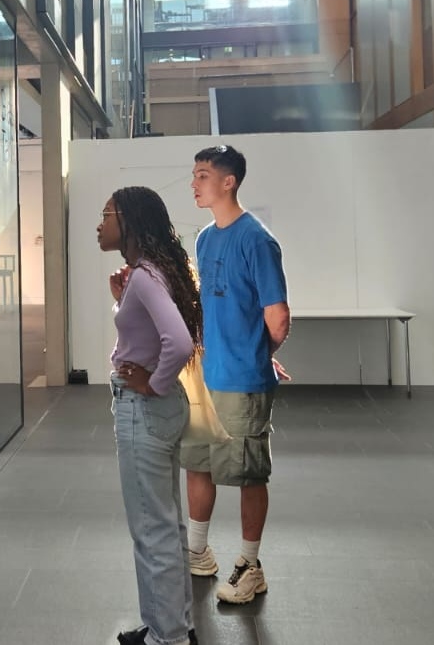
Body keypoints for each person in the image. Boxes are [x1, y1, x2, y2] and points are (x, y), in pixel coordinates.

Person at [184, 144, 290, 605]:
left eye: (203, 175)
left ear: (228, 182)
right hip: (203, 378)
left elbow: (278, 318)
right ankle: (196, 550)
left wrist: (256, 353)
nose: (194, 182)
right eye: (194, 174)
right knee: (197, 463)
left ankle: (250, 565)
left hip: (242, 380)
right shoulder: (205, 238)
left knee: (248, 474)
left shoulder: (258, 240)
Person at [97, 186, 200, 645]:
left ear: (131, 223)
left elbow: (177, 342)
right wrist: (121, 298)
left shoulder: (144, 276)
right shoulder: (151, 272)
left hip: (144, 410)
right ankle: (173, 624)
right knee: (166, 524)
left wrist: (152, 382)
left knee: (150, 529)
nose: (99, 225)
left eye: (107, 215)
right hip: (161, 411)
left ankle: (167, 638)